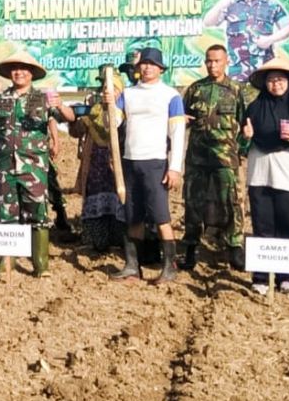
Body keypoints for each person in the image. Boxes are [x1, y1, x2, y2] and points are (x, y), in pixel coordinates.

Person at [0, 51, 73, 276]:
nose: (18, 72)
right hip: (6, 168)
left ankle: (41, 265)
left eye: (23, 69)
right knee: (6, 214)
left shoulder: (42, 98)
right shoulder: (0, 99)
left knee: (38, 213)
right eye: (15, 69)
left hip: (33, 168)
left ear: (32, 74)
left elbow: (70, 117)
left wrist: (60, 105)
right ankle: (6, 263)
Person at [105, 47, 186, 284]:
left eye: (152, 64)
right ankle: (132, 266)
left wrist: (175, 167)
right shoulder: (128, 94)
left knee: (161, 216)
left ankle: (169, 266)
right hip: (130, 162)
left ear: (160, 69)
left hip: (156, 162)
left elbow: (178, 132)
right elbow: (112, 123)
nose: (147, 67)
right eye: (144, 64)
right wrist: (110, 105)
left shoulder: (170, 96)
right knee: (133, 217)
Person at [241, 59, 289, 294]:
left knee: (288, 224)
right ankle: (261, 277)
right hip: (260, 173)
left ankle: (287, 277)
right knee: (262, 224)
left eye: (280, 80)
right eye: (271, 80)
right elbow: (242, 146)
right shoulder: (254, 109)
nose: (275, 84)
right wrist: (246, 137)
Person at [179, 44, 248, 271]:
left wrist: (241, 149)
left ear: (226, 62)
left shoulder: (236, 90)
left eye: (217, 61)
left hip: (225, 159)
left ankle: (234, 247)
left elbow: (245, 125)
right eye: (209, 60)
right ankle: (190, 247)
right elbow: (182, 120)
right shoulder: (195, 89)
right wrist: (183, 121)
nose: (212, 65)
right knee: (193, 203)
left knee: (231, 202)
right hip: (197, 158)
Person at [203, 0, 289, 82]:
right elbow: (208, 22)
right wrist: (220, 4)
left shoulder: (271, 5)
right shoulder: (230, 4)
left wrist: (270, 39)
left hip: (264, 70)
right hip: (237, 72)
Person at [68, 66, 127, 252]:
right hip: (94, 163)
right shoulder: (92, 109)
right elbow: (77, 131)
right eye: (104, 88)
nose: (106, 92)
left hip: (117, 164)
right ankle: (95, 241)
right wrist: (72, 118)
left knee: (118, 200)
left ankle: (118, 241)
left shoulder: (126, 110)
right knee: (95, 200)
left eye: (113, 89)